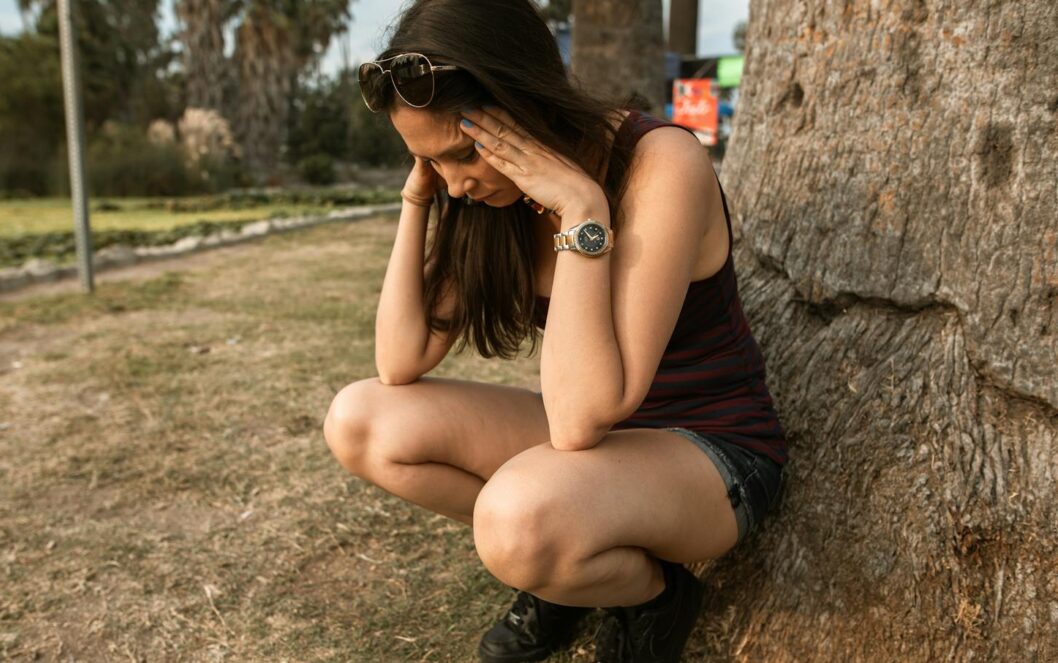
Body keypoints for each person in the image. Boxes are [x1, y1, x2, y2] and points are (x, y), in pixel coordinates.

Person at [322, 1, 787, 661]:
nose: (456, 184)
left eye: (460, 154)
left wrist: (580, 208)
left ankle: (649, 593)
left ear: (521, 105)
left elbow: (579, 419)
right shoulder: (483, 193)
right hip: (595, 449)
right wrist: (417, 196)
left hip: (711, 451)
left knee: (515, 521)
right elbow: (400, 360)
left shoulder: (661, 162)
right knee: (360, 420)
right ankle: (567, 566)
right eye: (431, 162)